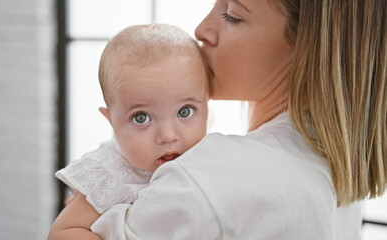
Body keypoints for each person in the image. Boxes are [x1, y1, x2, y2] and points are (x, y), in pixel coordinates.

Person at [53, 0, 386, 239]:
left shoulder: (204, 182)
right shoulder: (337, 166)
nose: (201, 30)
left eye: (232, 15)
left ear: (307, 43)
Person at [47, 24, 211, 240]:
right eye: (141, 117)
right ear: (112, 122)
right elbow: (63, 232)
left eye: (185, 111)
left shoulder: (209, 156)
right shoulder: (113, 176)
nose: (168, 135)